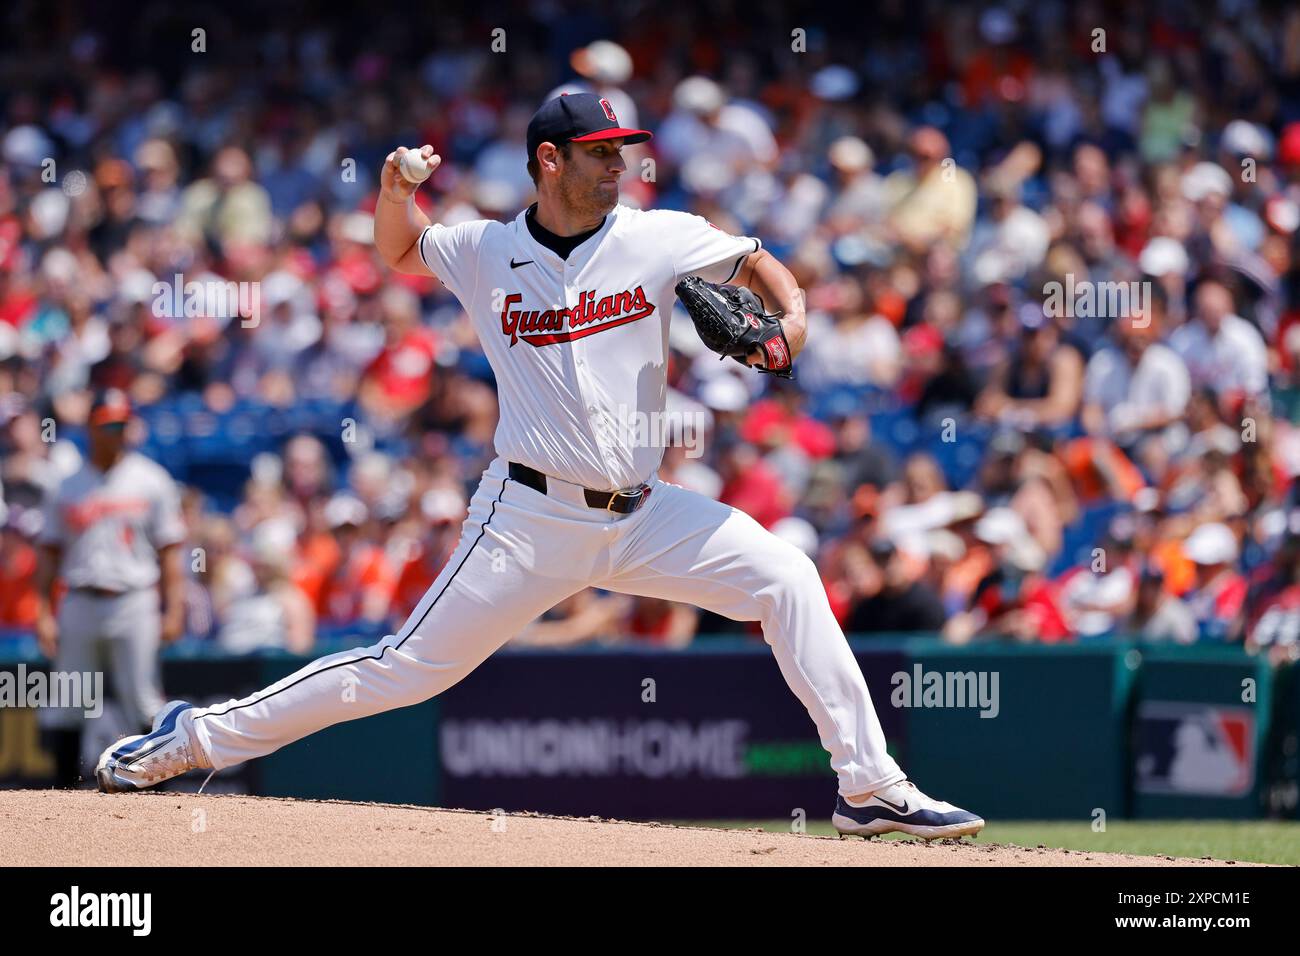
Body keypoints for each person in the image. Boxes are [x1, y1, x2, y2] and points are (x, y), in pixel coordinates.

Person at [94, 93, 983, 840]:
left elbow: (754, 259)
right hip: (527, 518)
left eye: (622, 151)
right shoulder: (485, 251)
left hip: (644, 513)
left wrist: (791, 319)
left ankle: (867, 787)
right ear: (548, 161)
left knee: (788, 574)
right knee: (403, 670)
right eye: (600, 154)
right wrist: (398, 189)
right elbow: (398, 249)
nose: (618, 167)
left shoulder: (655, 235)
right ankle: (197, 737)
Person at [35, 389, 186, 786]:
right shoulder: (65, 485)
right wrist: (42, 612)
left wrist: (174, 609)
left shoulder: (151, 479)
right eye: (108, 425)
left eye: (121, 424)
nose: (115, 432)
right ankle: (60, 795)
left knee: (143, 699)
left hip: (134, 599)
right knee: (70, 700)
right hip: (80, 598)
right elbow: (49, 553)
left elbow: (171, 551)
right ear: (90, 427)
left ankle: (156, 786)